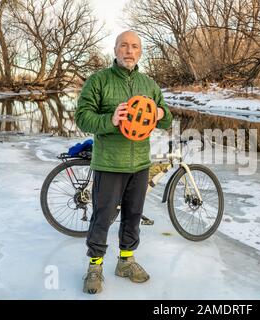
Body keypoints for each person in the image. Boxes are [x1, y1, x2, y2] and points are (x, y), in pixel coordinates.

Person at [75, 31, 173, 294]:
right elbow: (82, 118)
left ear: (140, 52)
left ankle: (126, 262)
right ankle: (95, 267)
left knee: (133, 215)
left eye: (135, 47)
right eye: (124, 46)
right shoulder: (99, 81)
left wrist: (161, 112)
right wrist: (110, 120)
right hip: (109, 163)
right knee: (102, 217)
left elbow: (167, 119)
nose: (129, 51)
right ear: (116, 50)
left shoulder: (149, 84)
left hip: (140, 163)